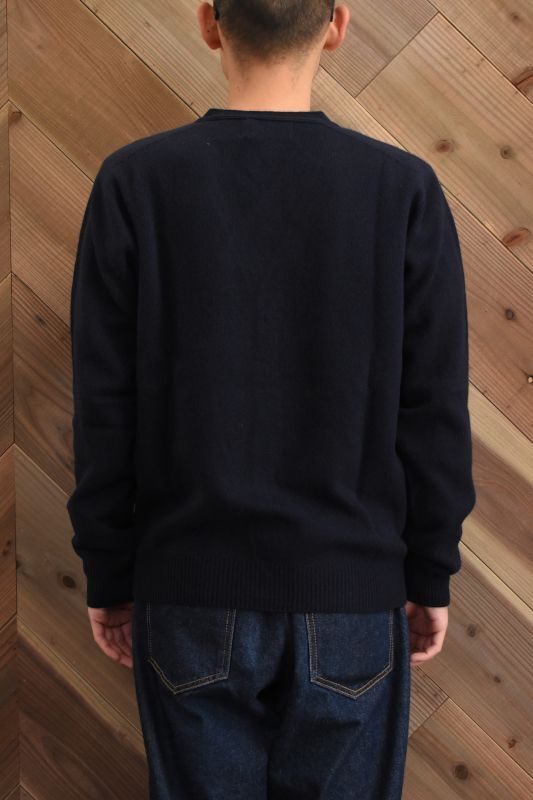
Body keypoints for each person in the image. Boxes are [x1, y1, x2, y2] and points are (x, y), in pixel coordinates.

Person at [66, 1, 476, 797]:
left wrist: (108, 573)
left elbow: (104, 406)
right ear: (337, 24)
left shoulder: (134, 182)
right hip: (351, 594)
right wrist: (429, 572)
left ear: (208, 22)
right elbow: (432, 409)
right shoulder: (401, 190)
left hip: (188, 590)